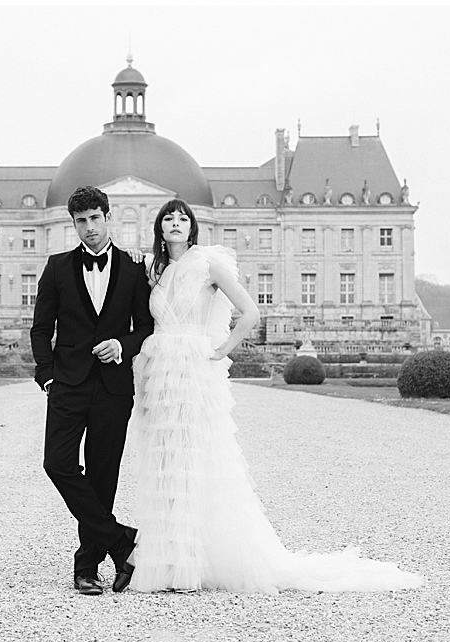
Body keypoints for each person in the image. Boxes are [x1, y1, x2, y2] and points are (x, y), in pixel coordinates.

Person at [125, 198, 424, 594]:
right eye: (169, 218)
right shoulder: (154, 269)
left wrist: (220, 349)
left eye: (183, 218)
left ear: (192, 226)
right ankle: (169, 559)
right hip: (160, 370)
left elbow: (250, 312)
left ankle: (191, 563)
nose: (176, 223)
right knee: (165, 461)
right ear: (159, 228)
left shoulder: (208, 263)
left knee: (195, 459)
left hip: (194, 370)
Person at [30, 186, 155, 596]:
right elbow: (41, 327)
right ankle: (121, 541)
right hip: (67, 384)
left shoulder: (135, 269)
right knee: (57, 464)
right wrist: (47, 375)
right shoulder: (57, 267)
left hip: (114, 387)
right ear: (74, 225)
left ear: (108, 217)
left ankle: (86, 567)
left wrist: (123, 346)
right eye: (80, 221)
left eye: (94, 219)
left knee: (103, 476)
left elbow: (147, 328)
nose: (88, 228)